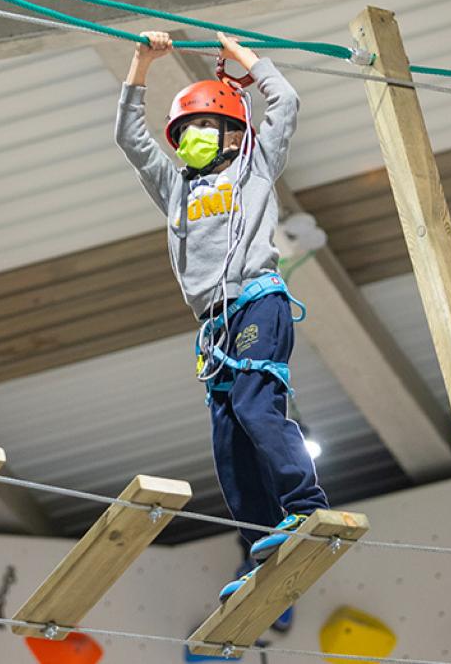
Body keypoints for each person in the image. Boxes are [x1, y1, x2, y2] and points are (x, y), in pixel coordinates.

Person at [114, 30, 328, 600]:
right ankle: (262, 541)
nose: (192, 139)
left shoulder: (253, 167)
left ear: (235, 133)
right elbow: (130, 138)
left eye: (204, 127)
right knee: (228, 438)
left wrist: (247, 61)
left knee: (257, 405)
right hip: (214, 327)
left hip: (257, 299)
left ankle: (305, 508)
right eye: (184, 131)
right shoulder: (175, 187)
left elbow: (286, 102)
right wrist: (141, 64)